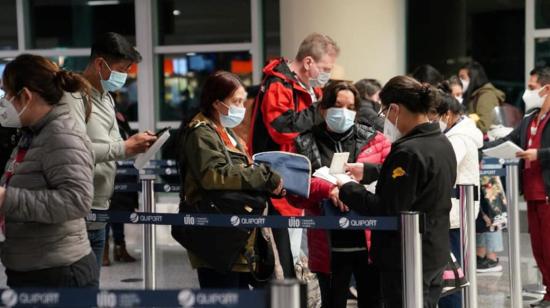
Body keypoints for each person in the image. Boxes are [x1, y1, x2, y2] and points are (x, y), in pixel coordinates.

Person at [334, 76, 457, 307]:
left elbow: (386, 208)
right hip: (434, 249)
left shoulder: (408, 151)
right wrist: (370, 171)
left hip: (407, 255)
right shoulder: (440, 141)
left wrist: (347, 187)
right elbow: (420, 178)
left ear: (395, 109)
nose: (387, 120)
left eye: (385, 112)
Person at [178, 71, 284, 289]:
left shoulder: (227, 132)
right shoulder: (201, 133)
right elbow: (214, 175)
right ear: (217, 103)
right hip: (216, 234)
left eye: (242, 101)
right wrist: (262, 176)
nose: (241, 108)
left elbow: (240, 170)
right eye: (235, 102)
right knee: (222, 296)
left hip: (238, 235)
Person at [289, 81, 390, 307]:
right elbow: (294, 193)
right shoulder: (305, 142)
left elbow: (391, 177)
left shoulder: (376, 140)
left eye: (350, 107)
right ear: (323, 108)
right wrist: (328, 188)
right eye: (337, 105)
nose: (343, 112)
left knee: (373, 301)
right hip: (327, 244)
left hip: (370, 242)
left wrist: (358, 183)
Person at [0, 54, 97, 287]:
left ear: (25, 96)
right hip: (32, 266)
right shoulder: (32, 134)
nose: (3, 102)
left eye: (6, 94)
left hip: (59, 274)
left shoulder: (61, 134)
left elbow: (77, 200)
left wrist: (6, 198)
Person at [248, 33, 340, 276]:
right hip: (278, 174)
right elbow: (282, 128)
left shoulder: (309, 87)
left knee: (297, 246)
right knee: (283, 252)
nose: (326, 73)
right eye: (324, 68)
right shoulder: (279, 84)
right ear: (308, 62)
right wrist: (320, 111)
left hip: (300, 173)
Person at [65, 32, 157, 272]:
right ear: (99, 64)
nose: (124, 76)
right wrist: (123, 147)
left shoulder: (106, 98)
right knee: (77, 286)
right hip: (78, 207)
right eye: (121, 68)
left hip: (101, 204)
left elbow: (115, 144)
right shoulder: (73, 97)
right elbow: (71, 150)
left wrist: (135, 144)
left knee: (91, 285)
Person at [483, 67, 550, 307]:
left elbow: (541, 152)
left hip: (547, 192)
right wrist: (482, 149)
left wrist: (538, 154)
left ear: (547, 88)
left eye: (532, 88)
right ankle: (548, 293)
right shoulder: (530, 118)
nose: (527, 92)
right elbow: (508, 140)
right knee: (539, 248)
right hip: (531, 192)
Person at [429, 84, 483, 308]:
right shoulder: (456, 133)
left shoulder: (459, 138)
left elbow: (444, 167)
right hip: (452, 212)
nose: (431, 120)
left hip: (454, 214)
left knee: (452, 274)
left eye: (433, 115)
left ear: (447, 115)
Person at [102, 102, 139, 266]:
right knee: (107, 214)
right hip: (110, 173)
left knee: (120, 213)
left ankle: (120, 248)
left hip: (126, 174)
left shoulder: (121, 118)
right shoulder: (102, 121)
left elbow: (128, 139)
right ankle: (104, 251)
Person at [459, 61, 505, 134]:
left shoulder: (486, 96)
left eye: (462, 77)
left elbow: (483, 126)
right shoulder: (473, 95)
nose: (460, 81)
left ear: (473, 77)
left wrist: (463, 118)